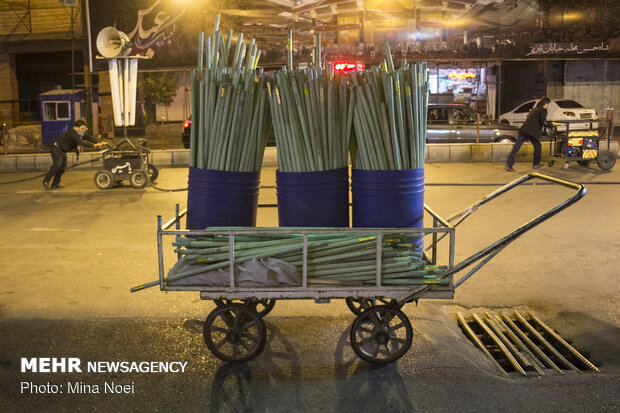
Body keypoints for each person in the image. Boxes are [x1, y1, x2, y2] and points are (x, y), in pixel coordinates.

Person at [42, 119, 107, 190]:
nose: (84, 130)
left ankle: (55, 184)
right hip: (56, 148)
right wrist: (95, 145)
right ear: (76, 127)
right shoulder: (72, 133)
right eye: (82, 128)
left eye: (85, 128)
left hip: (62, 150)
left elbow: (88, 138)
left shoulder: (79, 133)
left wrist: (99, 142)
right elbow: (82, 142)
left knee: (63, 167)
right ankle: (46, 180)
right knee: (57, 165)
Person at [505, 96, 551, 172]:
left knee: (516, 147)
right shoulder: (543, 110)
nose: (549, 106)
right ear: (545, 104)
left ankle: (509, 165)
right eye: (549, 104)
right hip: (531, 132)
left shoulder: (535, 109)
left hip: (523, 130)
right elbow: (543, 122)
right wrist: (551, 125)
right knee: (538, 146)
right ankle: (536, 164)